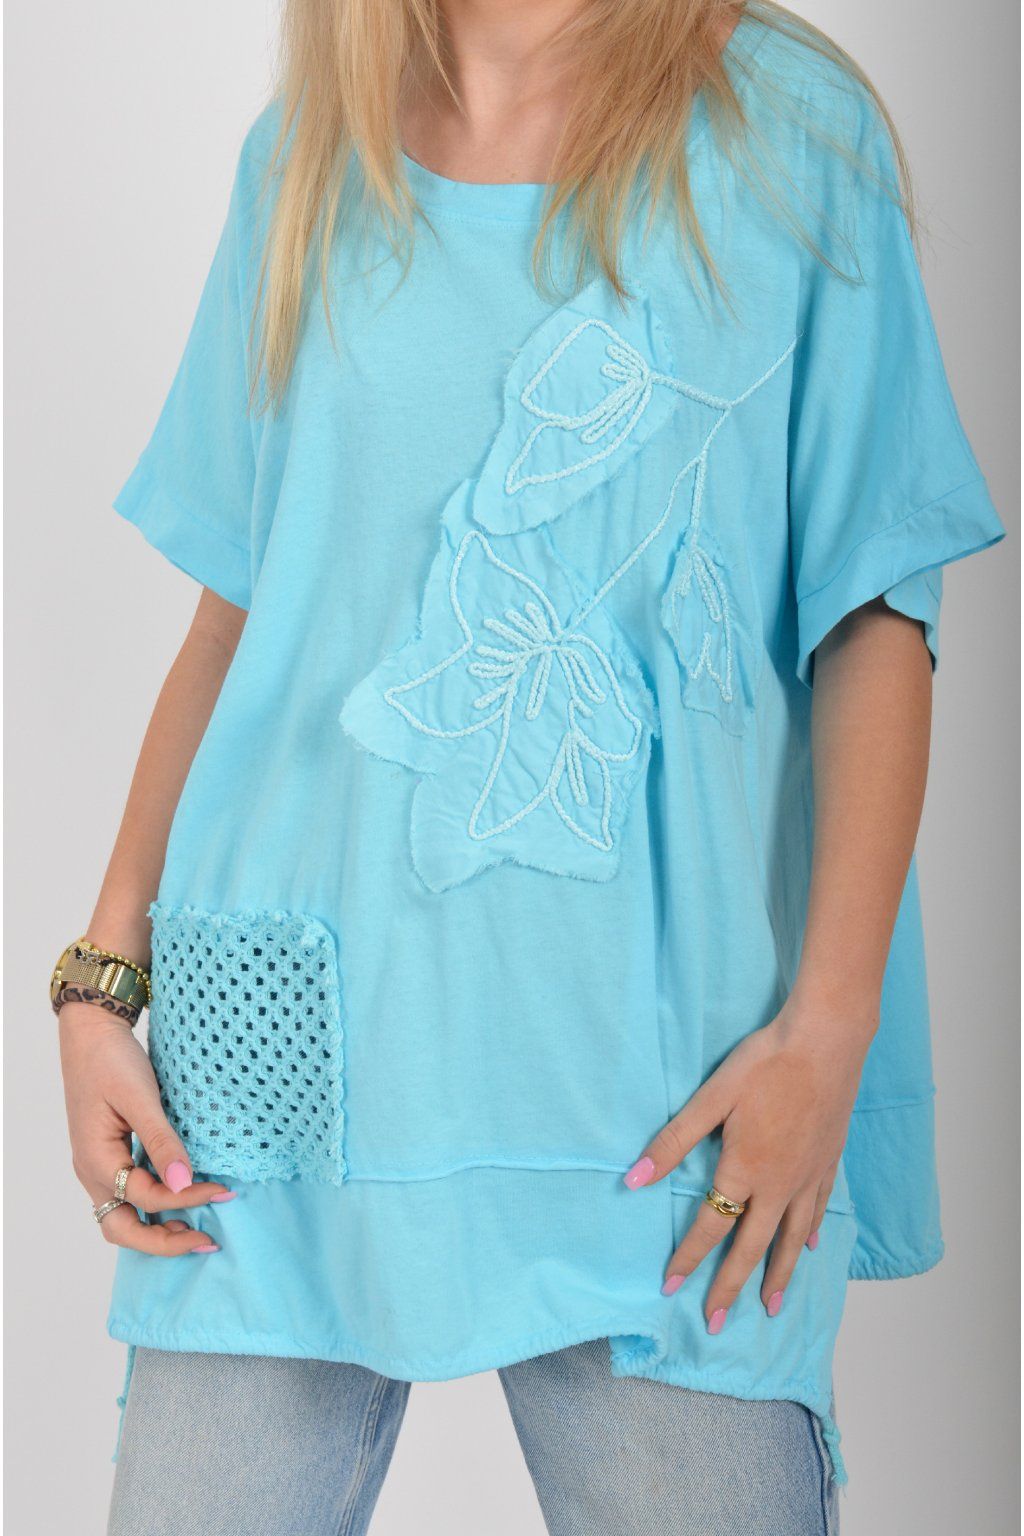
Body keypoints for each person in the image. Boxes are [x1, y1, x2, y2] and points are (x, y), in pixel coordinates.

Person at [55, 2, 1004, 1532]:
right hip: (276, 1084)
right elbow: (241, 611)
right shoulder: (307, 154)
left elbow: (875, 608)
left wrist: (829, 1028)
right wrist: (101, 983)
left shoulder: (787, 136)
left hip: (659, 1101)